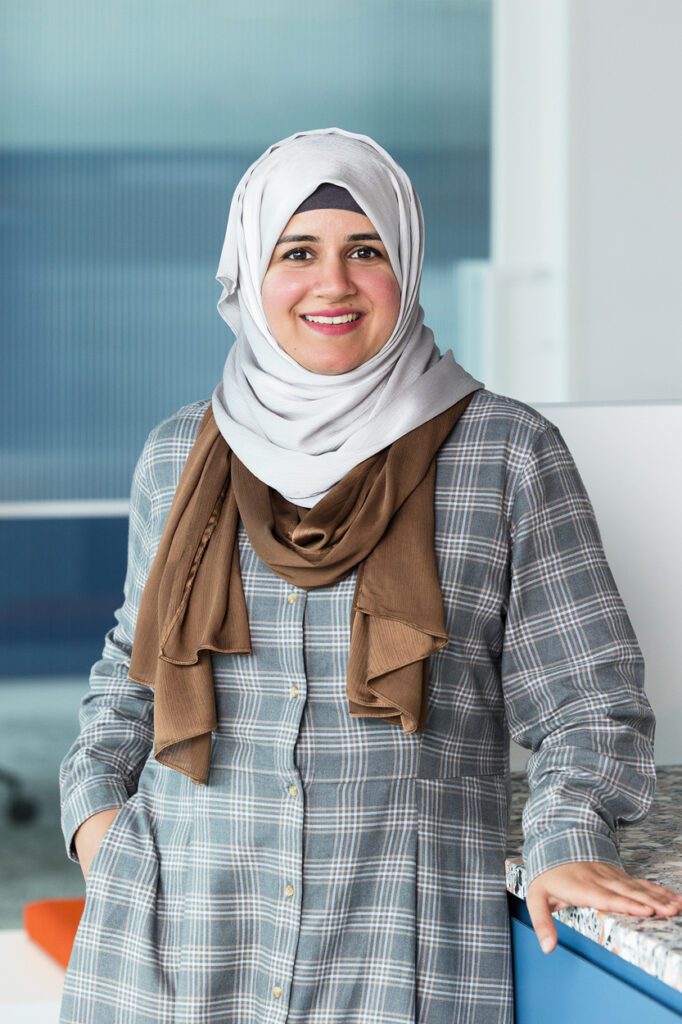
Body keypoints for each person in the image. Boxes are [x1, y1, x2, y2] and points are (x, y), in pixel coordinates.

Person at [58, 127, 682, 1024]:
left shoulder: (505, 452)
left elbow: (590, 699)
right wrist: (95, 825)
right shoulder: (176, 457)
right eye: (298, 252)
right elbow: (130, 676)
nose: (333, 283)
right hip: (172, 947)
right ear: (247, 273)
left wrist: (566, 838)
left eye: (366, 251)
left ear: (409, 264)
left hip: (402, 953)